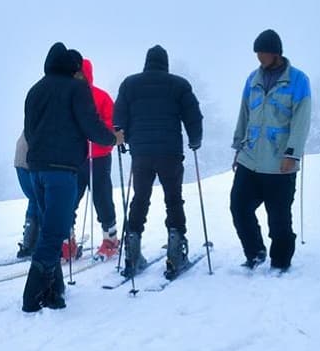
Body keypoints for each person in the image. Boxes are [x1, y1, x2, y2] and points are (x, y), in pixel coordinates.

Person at [22, 43, 121, 312]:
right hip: (62, 170)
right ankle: (31, 297)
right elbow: (90, 125)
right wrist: (113, 137)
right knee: (55, 232)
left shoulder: (35, 90)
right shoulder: (76, 89)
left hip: (37, 169)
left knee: (49, 226)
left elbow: (29, 131)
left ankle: (55, 289)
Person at [114, 45, 203, 278]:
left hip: (141, 153)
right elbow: (193, 115)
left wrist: (120, 137)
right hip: (169, 153)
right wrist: (195, 140)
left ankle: (132, 251)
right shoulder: (179, 85)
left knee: (140, 199)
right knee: (173, 200)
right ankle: (175, 251)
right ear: (165, 63)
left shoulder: (129, 84)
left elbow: (119, 115)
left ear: (146, 62)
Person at [231, 29, 311, 271]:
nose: (259, 58)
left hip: (280, 163)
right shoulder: (252, 79)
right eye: (257, 54)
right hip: (250, 158)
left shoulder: (298, 80)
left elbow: (301, 120)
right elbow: (244, 113)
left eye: (263, 53)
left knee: (278, 218)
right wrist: (238, 146)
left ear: (276, 53)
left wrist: (292, 153)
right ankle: (254, 252)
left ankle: (281, 260)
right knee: (239, 207)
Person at [67, 58, 119, 260]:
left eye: (81, 74)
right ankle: (66, 241)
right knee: (69, 200)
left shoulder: (101, 96)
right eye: (75, 74)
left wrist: (96, 132)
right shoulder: (69, 96)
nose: (78, 77)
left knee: (102, 198)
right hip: (76, 158)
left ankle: (111, 239)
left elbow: (111, 124)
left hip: (99, 157)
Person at [14, 131, 39, 258]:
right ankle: (36, 242)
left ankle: (28, 243)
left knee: (34, 199)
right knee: (39, 199)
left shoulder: (35, 118)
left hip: (21, 162)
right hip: (29, 163)